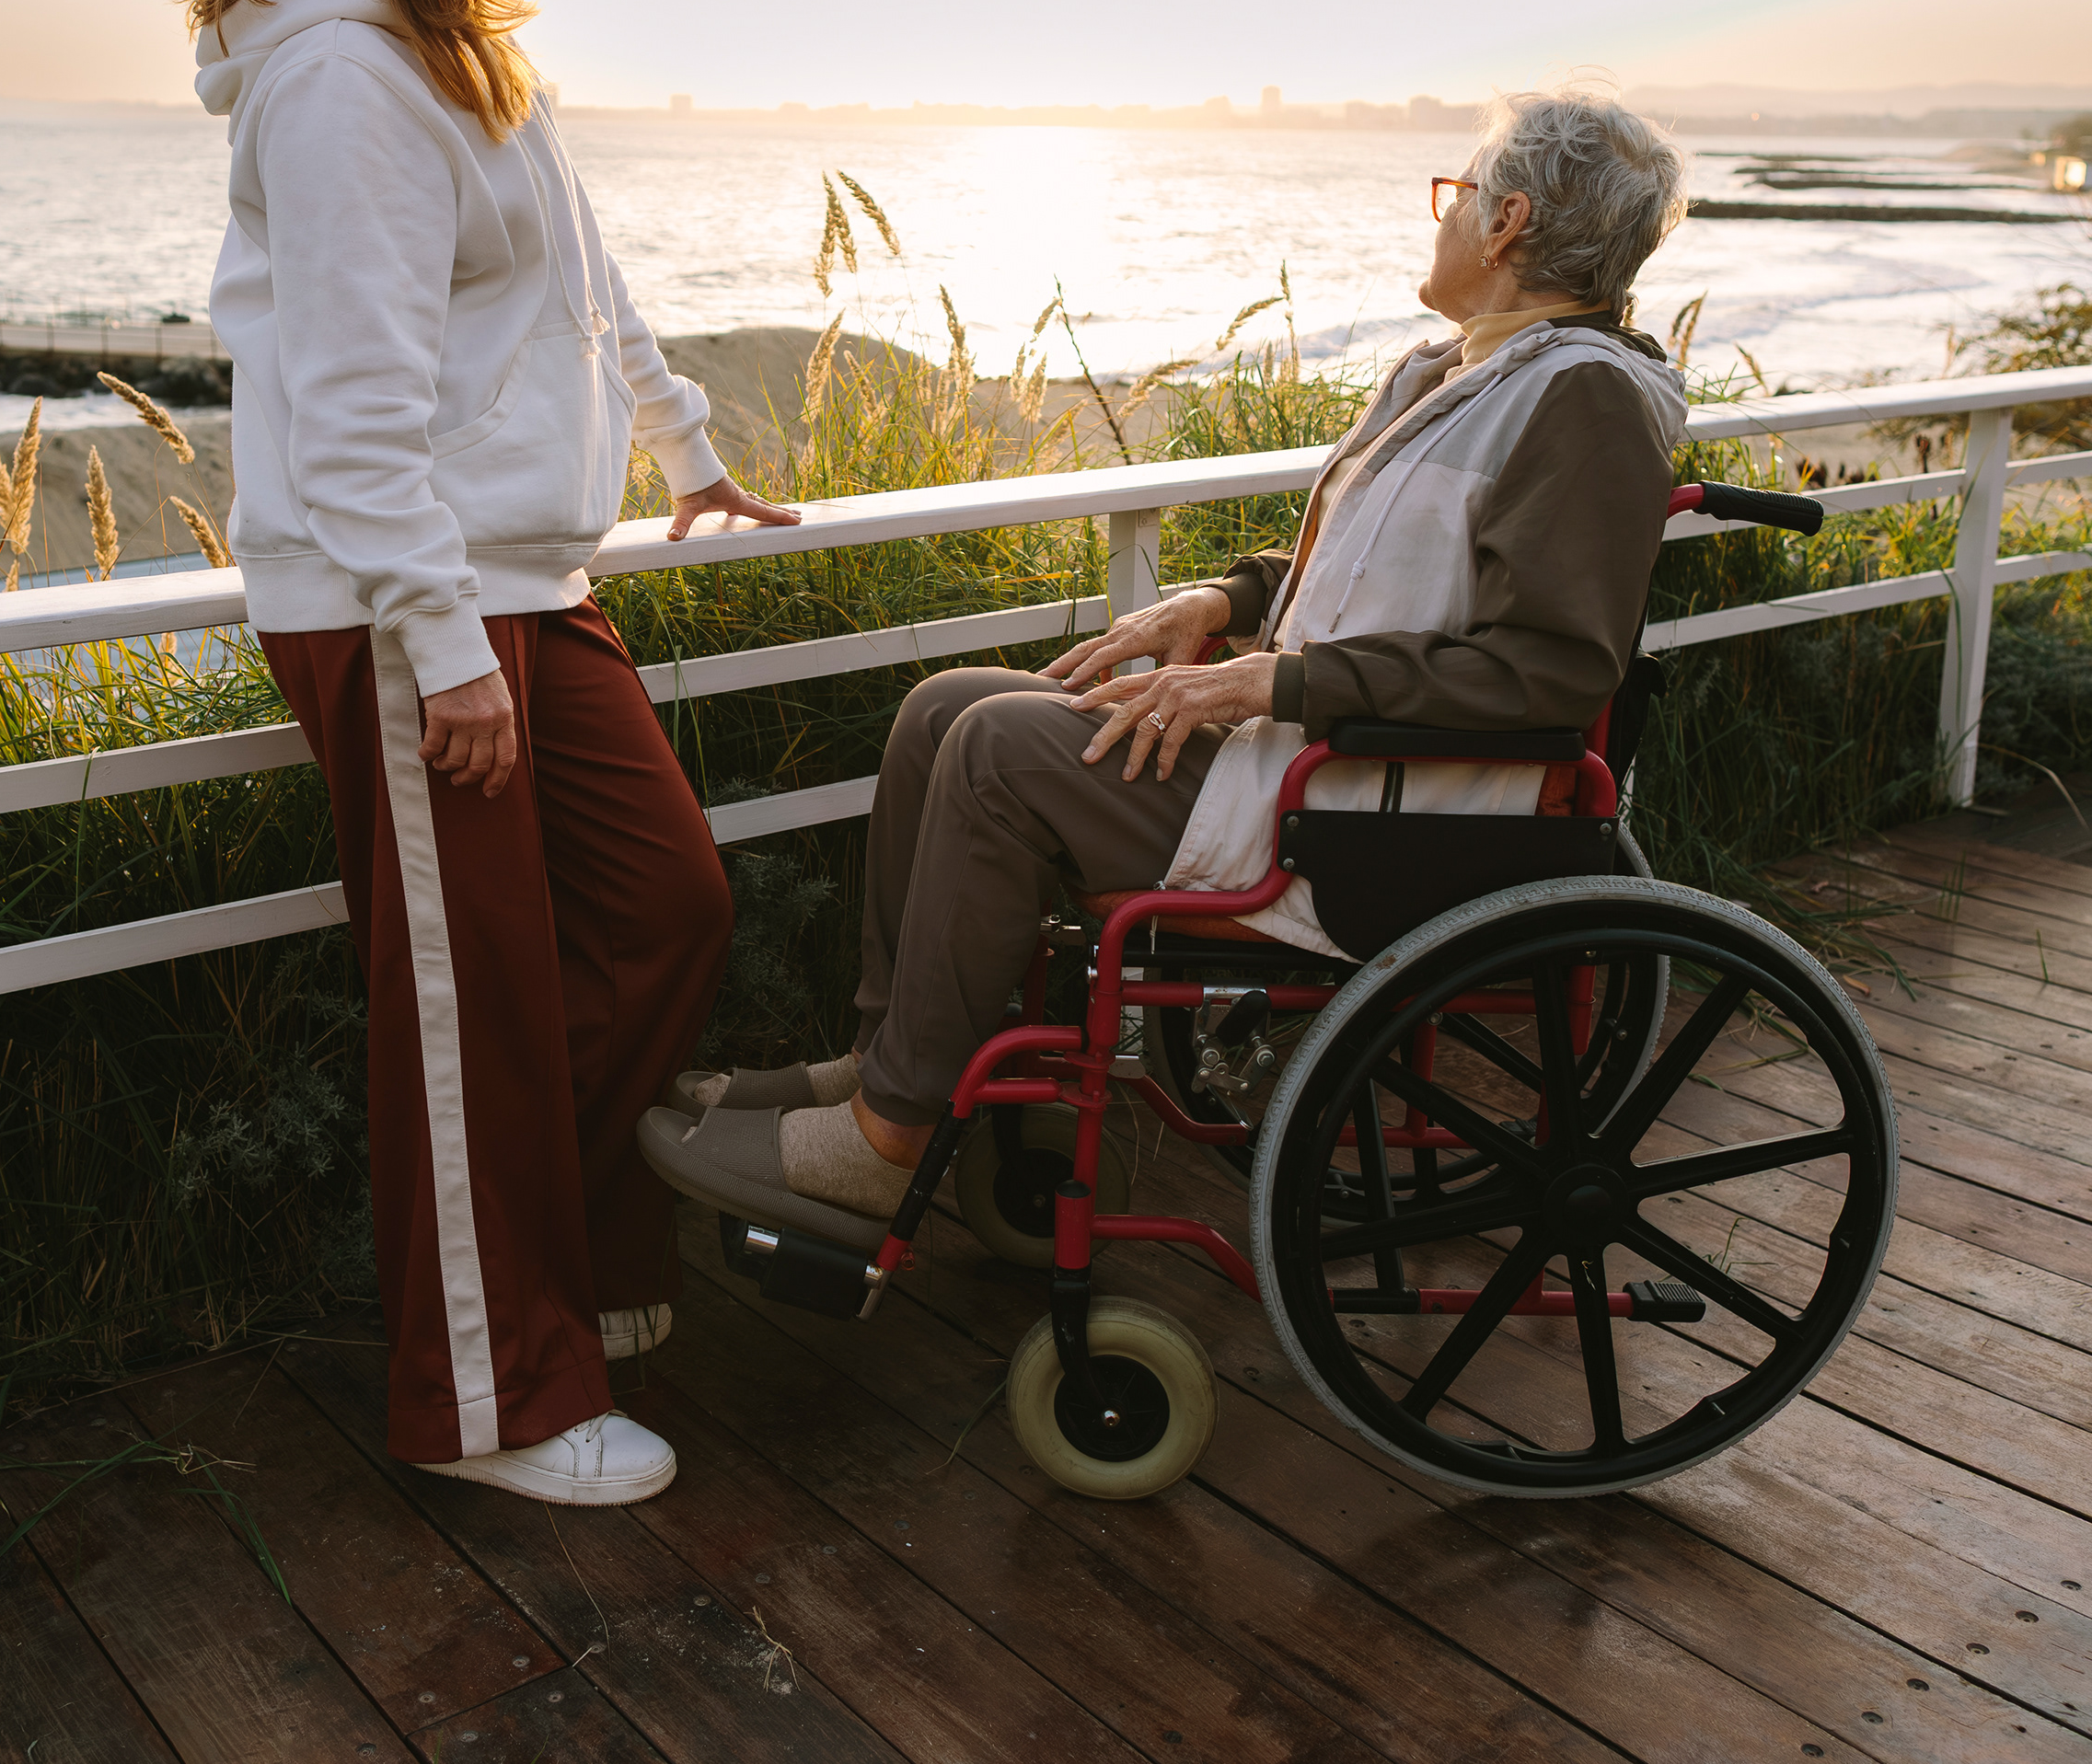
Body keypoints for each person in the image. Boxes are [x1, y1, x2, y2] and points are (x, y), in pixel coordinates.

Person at [641, 90, 1691, 1246]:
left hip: (1366, 814)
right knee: (945, 708)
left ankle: (888, 1144)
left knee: (998, 749)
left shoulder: (1582, 397)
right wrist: (1222, 601)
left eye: (1456, 195)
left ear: (1507, 224)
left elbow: (1547, 671)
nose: (1438, 218)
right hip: (1312, 759)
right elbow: (1365, 563)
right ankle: (883, 1063)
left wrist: (1265, 682)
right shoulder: (1455, 369)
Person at [196, 0, 796, 1505]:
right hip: (411, 602)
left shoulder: (460, 52)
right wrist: (438, 640)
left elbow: (582, 281)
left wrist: (683, 444)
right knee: (473, 1010)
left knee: (664, 905)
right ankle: (491, 1402)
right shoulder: (338, 77)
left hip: (530, 574)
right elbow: (353, 401)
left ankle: (564, 1275)